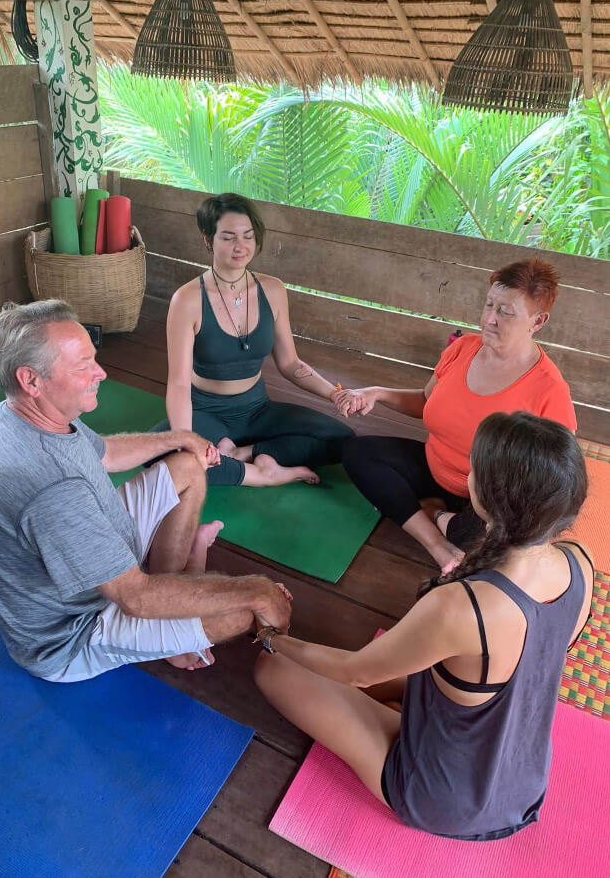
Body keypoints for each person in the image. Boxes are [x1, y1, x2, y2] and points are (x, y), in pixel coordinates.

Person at [254, 411, 592, 840]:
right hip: (523, 784)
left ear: (485, 499)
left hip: (445, 800)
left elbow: (355, 670)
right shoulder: (582, 562)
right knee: (417, 671)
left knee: (275, 670)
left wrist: (272, 640)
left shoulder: (461, 607)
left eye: (474, 469)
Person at [0, 300, 291, 683]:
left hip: (96, 552)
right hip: (74, 632)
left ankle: (176, 609)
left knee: (187, 466)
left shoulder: (21, 411)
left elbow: (107, 452)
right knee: (244, 612)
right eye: (83, 366)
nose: (100, 372)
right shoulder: (51, 489)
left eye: (93, 359)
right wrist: (259, 591)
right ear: (31, 380)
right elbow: (135, 598)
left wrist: (180, 438)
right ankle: (176, 627)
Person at [339, 259, 577, 573]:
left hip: (483, 500)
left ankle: (429, 513)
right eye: (489, 304)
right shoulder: (463, 348)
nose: (490, 319)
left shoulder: (549, 389)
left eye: (505, 311)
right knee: (358, 452)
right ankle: (435, 539)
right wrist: (377, 393)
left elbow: (556, 478)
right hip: (433, 468)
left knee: (483, 534)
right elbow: (426, 402)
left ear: (538, 321)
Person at [151, 193, 355, 486]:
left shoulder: (272, 290)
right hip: (205, 412)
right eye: (228, 237)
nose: (240, 246)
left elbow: (290, 363)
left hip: (257, 409)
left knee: (341, 438)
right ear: (208, 239)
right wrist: (185, 439)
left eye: (248, 236)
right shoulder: (187, 300)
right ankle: (261, 474)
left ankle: (243, 452)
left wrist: (334, 393)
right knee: (165, 455)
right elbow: (179, 384)